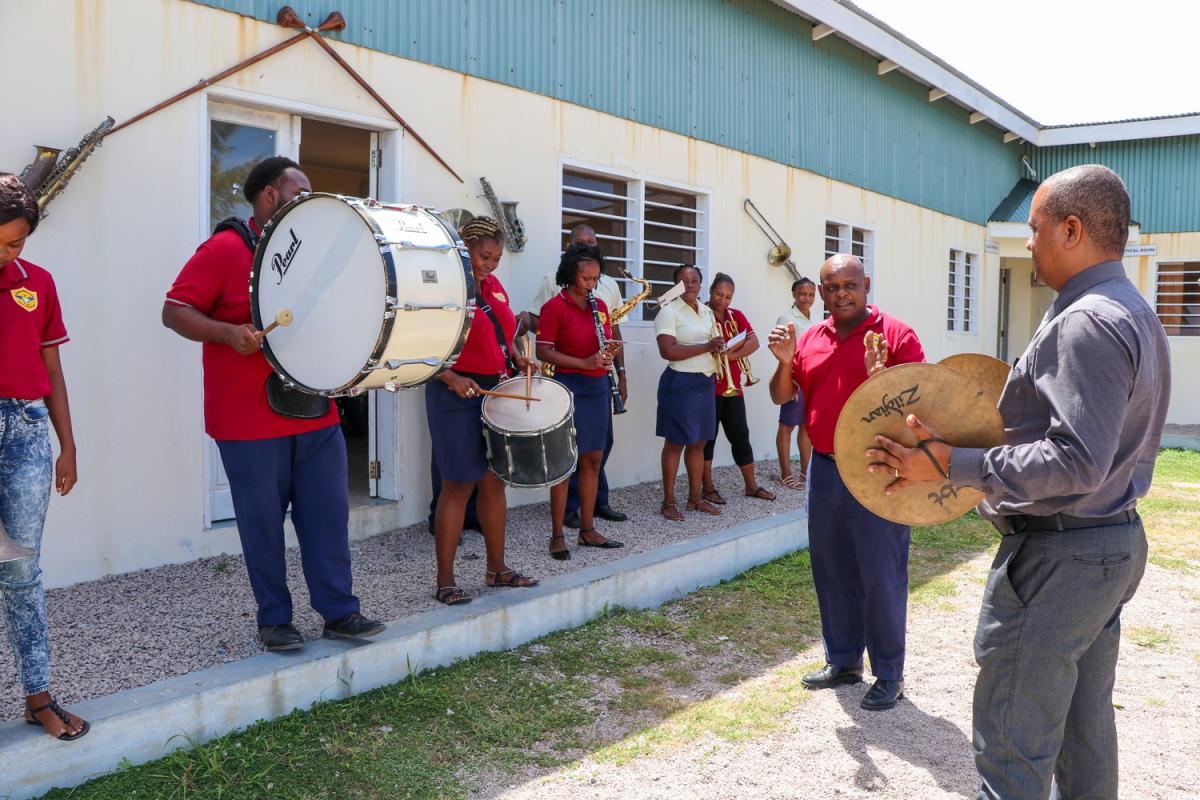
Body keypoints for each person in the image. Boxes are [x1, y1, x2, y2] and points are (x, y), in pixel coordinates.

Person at [868, 165, 1170, 799]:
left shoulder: (1087, 320)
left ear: (1071, 228)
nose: (1028, 242)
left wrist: (951, 463)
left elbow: (1077, 460)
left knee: (1012, 751)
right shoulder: (1134, 309)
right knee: (1084, 738)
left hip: (1061, 557)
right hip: (1108, 544)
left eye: (1033, 229)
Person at [163, 156, 384, 651]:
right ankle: (275, 620)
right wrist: (226, 333)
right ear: (269, 195)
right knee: (262, 529)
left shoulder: (309, 254)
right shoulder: (224, 249)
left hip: (314, 412)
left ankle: (339, 611)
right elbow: (174, 310)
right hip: (246, 420)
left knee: (328, 518)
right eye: (299, 192)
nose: (307, 200)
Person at [766, 254, 924, 711]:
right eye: (831, 287)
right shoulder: (812, 338)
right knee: (832, 568)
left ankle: (889, 673)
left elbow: (921, 414)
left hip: (880, 470)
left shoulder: (895, 335)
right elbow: (783, 396)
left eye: (849, 285)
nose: (841, 295)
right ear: (820, 292)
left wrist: (881, 379)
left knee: (881, 573)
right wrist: (781, 362)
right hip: (827, 468)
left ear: (866, 284)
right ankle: (844, 660)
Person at [0, 174, 88, 740]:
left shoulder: (38, 284)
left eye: (17, 243)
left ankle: (38, 696)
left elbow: (51, 368)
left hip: (26, 432)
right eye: (2, 241)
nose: (8, 253)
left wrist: (67, 444)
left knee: (21, 571)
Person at [426, 216, 539, 605]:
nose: (490, 264)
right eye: (484, 256)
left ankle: (497, 569)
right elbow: (420, 347)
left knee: (494, 482)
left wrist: (519, 358)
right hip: (455, 393)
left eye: (495, 258)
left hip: (494, 390)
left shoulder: (494, 286)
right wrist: (451, 377)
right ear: (465, 247)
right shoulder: (446, 285)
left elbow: (503, 334)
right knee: (457, 485)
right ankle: (445, 580)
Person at [524, 223, 628, 527]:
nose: (592, 284)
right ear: (571, 275)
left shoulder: (600, 307)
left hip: (597, 386)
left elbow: (607, 340)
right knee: (568, 457)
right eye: (586, 278)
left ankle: (588, 525)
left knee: (595, 455)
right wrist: (583, 363)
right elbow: (543, 351)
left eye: (596, 278)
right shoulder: (555, 307)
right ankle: (560, 527)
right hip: (569, 386)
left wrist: (612, 356)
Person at [655, 264, 724, 521]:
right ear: (676, 285)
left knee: (699, 443)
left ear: (700, 283)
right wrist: (707, 346)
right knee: (675, 442)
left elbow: (711, 344)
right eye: (684, 280)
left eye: (695, 280)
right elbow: (668, 351)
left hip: (704, 382)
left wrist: (718, 346)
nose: (690, 284)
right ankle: (669, 501)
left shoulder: (706, 311)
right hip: (680, 383)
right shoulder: (669, 311)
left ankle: (695, 498)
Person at [701, 272, 775, 504]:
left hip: (732, 388)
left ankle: (751, 486)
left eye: (728, 297)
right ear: (711, 291)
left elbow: (753, 341)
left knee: (741, 436)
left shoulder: (736, 315)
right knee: (707, 439)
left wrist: (730, 355)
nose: (723, 300)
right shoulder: (701, 313)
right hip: (708, 387)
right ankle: (708, 487)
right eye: (719, 294)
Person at [775, 277, 817, 490]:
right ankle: (785, 473)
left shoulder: (814, 320)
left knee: (807, 427)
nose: (806, 298)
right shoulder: (787, 318)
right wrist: (789, 380)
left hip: (811, 382)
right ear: (794, 294)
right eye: (802, 293)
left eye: (810, 294)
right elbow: (781, 351)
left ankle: (805, 471)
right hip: (794, 381)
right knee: (787, 426)